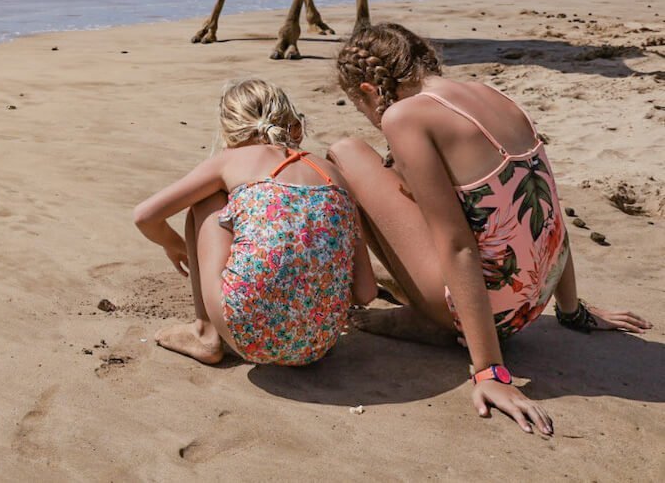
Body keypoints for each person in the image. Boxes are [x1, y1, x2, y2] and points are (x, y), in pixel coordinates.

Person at [329, 23, 651, 435]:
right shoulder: (493, 95)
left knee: (345, 152)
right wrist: (572, 310)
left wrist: (490, 371)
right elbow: (548, 209)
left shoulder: (403, 116)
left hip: (493, 317)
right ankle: (437, 314)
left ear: (371, 90)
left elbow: (458, 244)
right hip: (534, 302)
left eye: (362, 108)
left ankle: (439, 324)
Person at [133, 79, 375, 367]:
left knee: (204, 200)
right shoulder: (333, 175)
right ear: (294, 126)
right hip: (319, 342)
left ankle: (205, 332)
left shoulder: (231, 160)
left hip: (247, 331)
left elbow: (145, 216)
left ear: (229, 131)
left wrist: (175, 246)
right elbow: (366, 292)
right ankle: (298, 324)